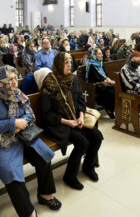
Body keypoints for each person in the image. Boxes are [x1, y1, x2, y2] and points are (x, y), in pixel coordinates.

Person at [0, 66, 61, 217]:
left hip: (23, 135)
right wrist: (13, 123)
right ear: (0, 82)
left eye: (14, 77)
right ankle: (28, 212)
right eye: (9, 79)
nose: (14, 82)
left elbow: (30, 113)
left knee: (43, 156)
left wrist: (23, 121)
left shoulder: (18, 94)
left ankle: (45, 195)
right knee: (12, 173)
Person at [40, 52, 103, 190]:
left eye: (70, 62)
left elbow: (80, 100)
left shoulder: (72, 79)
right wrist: (68, 122)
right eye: (66, 63)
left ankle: (88, 167)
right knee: (82, 143)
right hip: (58, 124)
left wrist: (81, 116)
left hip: (76, 119)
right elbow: (47, 114)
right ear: (58, 65)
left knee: (97, 137)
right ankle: (69, 176)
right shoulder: (49, 84)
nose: (70, 65)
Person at [86, 48, 115, 119]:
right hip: (95, 86)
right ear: (94, 55)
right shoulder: (92, 65)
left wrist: (109, 79)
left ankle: (111, 108)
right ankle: (109, 109)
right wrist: (107, 81)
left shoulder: (100, 63)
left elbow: (105, 74)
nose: (102, 55)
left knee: (115, 89)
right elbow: (96, 78)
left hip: (103, 83)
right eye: (99, 54)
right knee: (111, 92)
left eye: (101, 53)